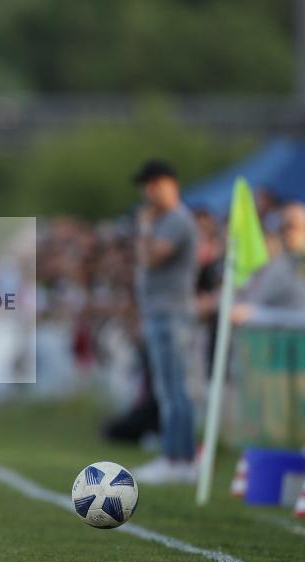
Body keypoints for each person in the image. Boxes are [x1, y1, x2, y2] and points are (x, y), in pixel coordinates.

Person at [131, 159, 199, 485]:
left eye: (153, 184)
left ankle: (178, 458)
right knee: (169, 389)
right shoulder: (166, 220)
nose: (148, 192)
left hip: (172, 314)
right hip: (161, 313)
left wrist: (144, 227)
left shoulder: (175, 221)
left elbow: (151, 257)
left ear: (169, 184)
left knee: (173, 391)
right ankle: (178, 457)